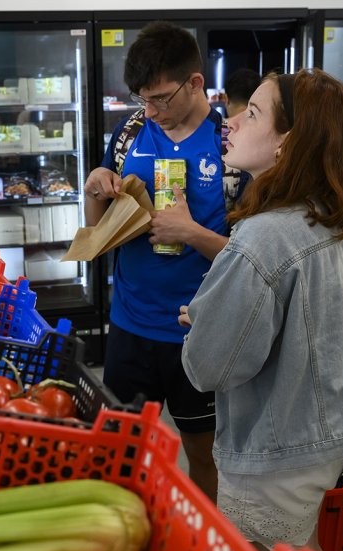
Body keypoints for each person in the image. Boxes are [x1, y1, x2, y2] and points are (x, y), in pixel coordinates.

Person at [180, 69, 343, 551]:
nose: (229, 121)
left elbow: (209, 367)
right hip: (323, 439)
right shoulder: (336, 225)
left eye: (253, 114)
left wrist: (203, 322)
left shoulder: (262, 237)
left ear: (287, 142)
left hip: (269, 443)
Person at [84, 21, 239, 503]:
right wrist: (94, 187)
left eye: (161, 99)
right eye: (142, 100)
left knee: (204, 456)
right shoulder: (132, 131)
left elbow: (254, 260)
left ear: (196, 83)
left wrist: (190, 234)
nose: (151, 111)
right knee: (119, 452)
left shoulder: (232, 145)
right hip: (130, 323)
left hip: (200, 330)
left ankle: (200, 548)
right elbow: (98, 231)